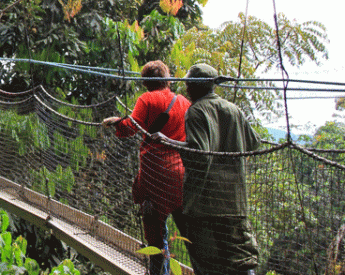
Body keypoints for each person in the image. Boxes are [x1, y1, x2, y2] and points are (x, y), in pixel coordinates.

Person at [155, 63, 260, 275]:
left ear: (195, 87)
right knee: (240, 260)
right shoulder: (234, 110)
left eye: (188, 85)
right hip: (234, 202)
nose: (186, 90)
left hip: (205, 204)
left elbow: (199, 155)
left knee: (208, 264)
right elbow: (254, 142)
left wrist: (167, 141)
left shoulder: (196, 111)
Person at [102, 60, 190, 275]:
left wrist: (117, 124)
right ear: (167, 78)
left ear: (145, 81)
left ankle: (159, 272)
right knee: (188, 231)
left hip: (155, 174)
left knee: (155, 233)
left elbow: (131, 127)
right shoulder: (184, 102)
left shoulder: (147, 98)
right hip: (181, 175)